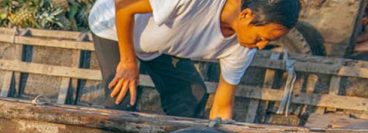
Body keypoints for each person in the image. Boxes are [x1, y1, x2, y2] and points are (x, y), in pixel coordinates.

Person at [88, 0, 300, 119]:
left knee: (192, 95)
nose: (261, 46)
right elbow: (124, 6)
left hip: (161, 43)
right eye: (262, 38)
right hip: (114, 27)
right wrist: (127, 61)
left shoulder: (243, 48)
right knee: (122, 100)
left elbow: (222, 107)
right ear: (246, 15)